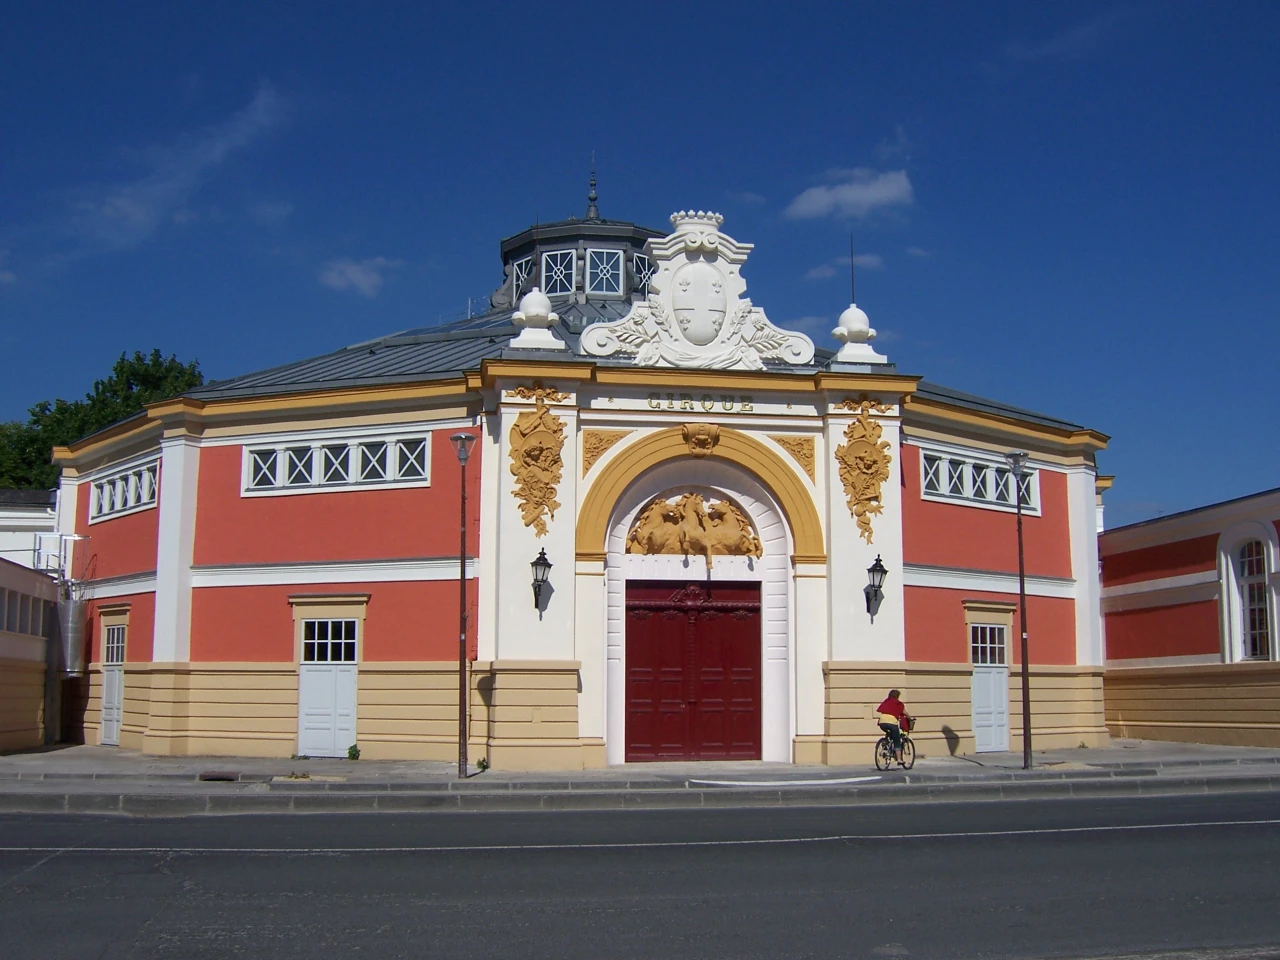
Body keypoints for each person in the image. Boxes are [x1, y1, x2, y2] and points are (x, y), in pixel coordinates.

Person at [876, 689, 913, 765]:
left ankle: (885, 744)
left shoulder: (886, 701)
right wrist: (910, 718)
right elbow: (904, 712)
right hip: (892, 723)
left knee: (889, 733)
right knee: (897, 740)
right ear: (897, 696)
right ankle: (899, 759)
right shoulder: (898, 703)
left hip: (882, 723)